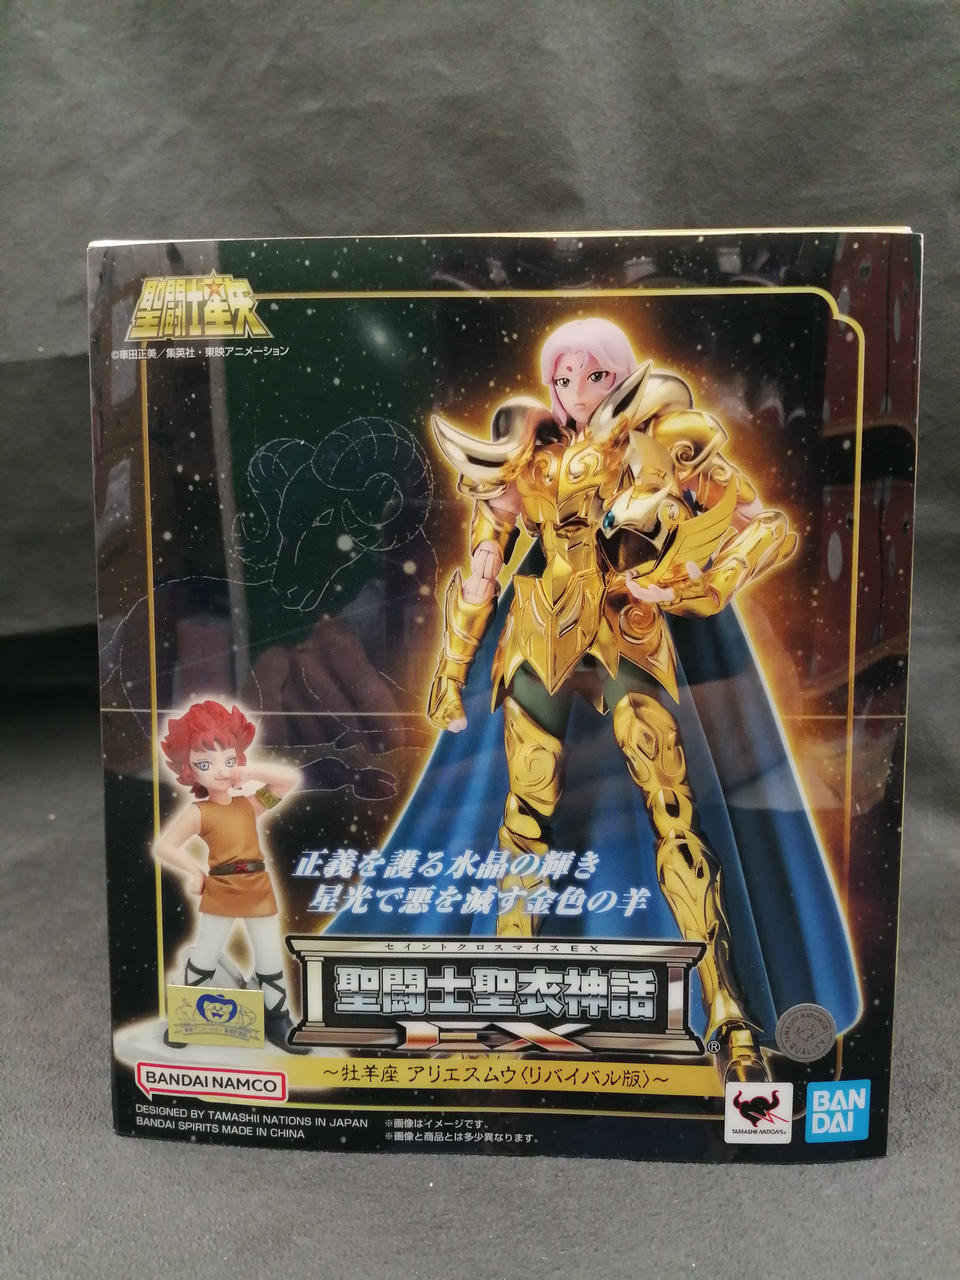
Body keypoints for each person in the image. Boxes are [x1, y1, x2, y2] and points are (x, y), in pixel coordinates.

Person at [426, 316, 801, 1083]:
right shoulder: (528, 452)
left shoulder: (665, 441)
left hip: (628, 625)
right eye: (564, 378)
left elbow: (764, 527)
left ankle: (726, 1010)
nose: (576, 392)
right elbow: (484, 566)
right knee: (524, 815)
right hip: (540, 633)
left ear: (621, 374)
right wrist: (452, 665)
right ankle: (507, 996)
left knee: (674, 810)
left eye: (594, 375)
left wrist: (702, 586)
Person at [155, 699, 306, 1054]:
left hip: (257, 886)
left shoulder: (249, 804)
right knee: (205, 956)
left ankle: (277, 1017)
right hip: (221, 887)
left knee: (269, 957)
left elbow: (289, 781)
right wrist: (195, 872)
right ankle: (186, 1016)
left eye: (228, 759)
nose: (220, 771)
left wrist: (248, 773)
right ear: (189, 770)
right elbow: (165, 846)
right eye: (204, 763)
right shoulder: (199, 811)